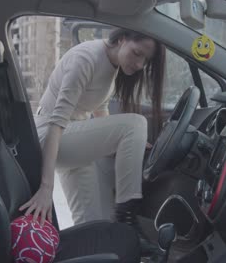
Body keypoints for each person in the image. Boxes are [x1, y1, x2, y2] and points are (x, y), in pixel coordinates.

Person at [19, 28, 165, 253]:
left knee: (94, 228)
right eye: (137, 53)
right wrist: (46, 188)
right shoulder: (86, 58)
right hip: (51, 135)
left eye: (146, 60)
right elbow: (57, 123)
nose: (139, 65)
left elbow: (99, 107)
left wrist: (128, 144)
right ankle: (127, 216)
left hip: (70, 141)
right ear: (122, 39)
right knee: (136, 124)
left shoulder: (112, 65)